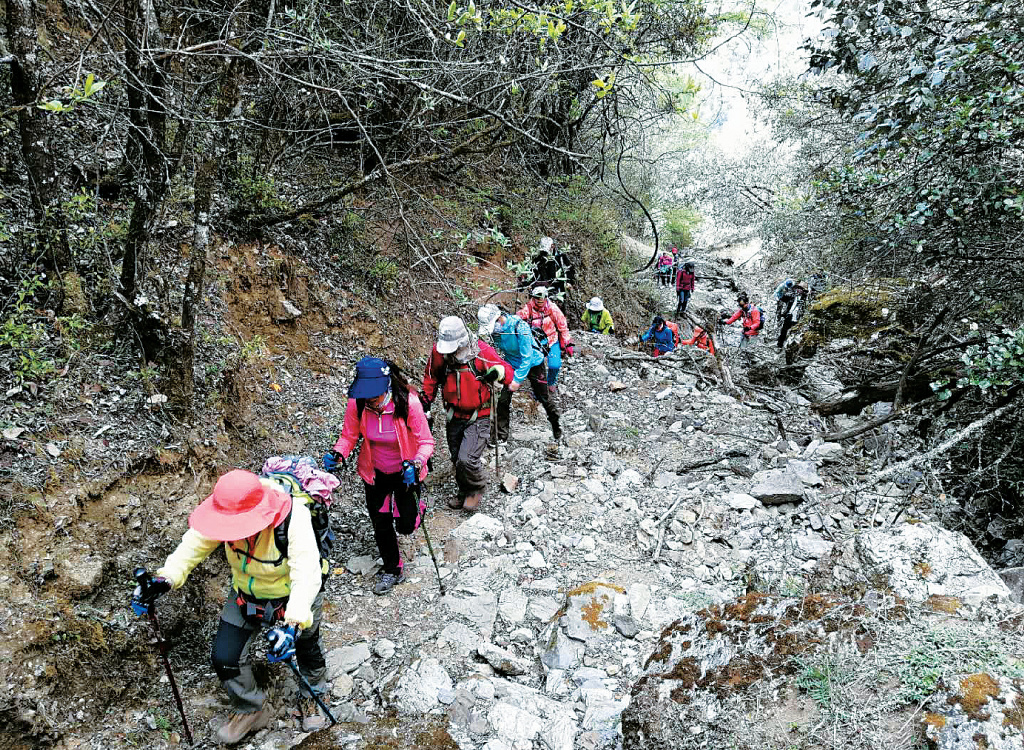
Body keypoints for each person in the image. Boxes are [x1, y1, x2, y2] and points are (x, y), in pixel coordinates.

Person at [132, 469, 331, 743]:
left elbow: (306, 572)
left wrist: (293, 625)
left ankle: (314, 694)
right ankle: (251, 708)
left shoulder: (293, 517)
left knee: (306, 644)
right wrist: (165, 579)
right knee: (225, 657)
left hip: (293, 596)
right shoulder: (225, 512)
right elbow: (193, 544)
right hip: (245, 595)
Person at [323, 357, 434, 595]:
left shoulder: (408, 403)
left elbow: (426, 441)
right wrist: (338, 453)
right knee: (381, 523)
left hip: (406, 471)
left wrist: (416, 463)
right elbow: (349, 436)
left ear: (386, 387)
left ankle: (416, 511)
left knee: (406, 526)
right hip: (375, 473)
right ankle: (393, 569)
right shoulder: (358, 403)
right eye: (366, 396)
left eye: (373, 396)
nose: (369, 400)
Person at [421, 316, 513, 511]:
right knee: (457, 458)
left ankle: (477, 487)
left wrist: (498, 372)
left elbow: (507, 372)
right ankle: (464, 492)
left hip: (479, 414)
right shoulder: (439, 353)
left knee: (467, 458)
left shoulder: (480, 351)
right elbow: (431, 377)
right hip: (454, 414)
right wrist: (426, 401)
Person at [477, 304, 561, 444]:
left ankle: (556, 425)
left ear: (499, 318)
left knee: (543, 397)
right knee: (503, 399)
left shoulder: (520, 327)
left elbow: (527, 357)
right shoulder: (496, 333)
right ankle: (501, 436)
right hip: (511, 363)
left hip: (534, 363)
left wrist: (517, 380)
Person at [517, 287, 574, 394]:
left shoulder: (553, 308)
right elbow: (518, 319)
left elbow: (563, 326)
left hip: (551, 340)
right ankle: (538, 387)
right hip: (535, 342)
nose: (540, 299)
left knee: (555, 365)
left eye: (542, 297)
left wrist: (567, 342)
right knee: (536, 366)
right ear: (533, 297)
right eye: (537, 297)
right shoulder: (528, 308)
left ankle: (551, 381)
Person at [776, 283, 808, 349]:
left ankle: (790, 347)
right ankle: (779, 345)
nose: (798, 290)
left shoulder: (805, 298)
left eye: (800, 289)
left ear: (803, 291)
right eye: (798, 288)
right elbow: (783, 298)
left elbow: (805, 308)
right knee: (783, 331)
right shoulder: (792, 295)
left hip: (797, 318)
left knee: (795, 334)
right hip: (789, 316)